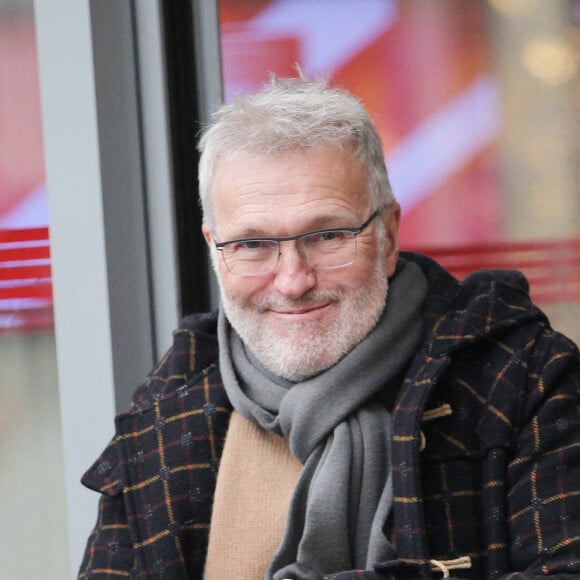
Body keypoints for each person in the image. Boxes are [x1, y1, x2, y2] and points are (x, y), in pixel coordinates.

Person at [78, 76, 580, 580]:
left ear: (387, 236)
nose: (293, 281)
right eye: (252, 245)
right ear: (214, 249)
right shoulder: (164, 416)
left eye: (327, 236)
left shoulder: (523, 379)